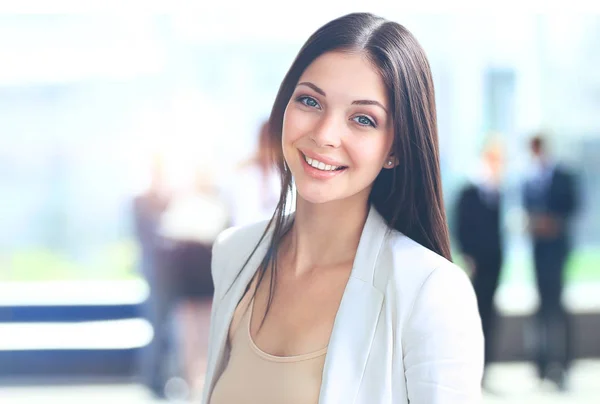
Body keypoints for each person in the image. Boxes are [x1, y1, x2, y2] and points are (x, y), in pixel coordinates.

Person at [203, 13, 484, 404]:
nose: (324, 135)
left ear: (396, 149)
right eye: (309, 101)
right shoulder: (234, 254)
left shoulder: (430, 291)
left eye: (363, 119)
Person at [158, 168, 230, 399]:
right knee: (189, 331)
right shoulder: (182, 202)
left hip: (208, 270)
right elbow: (169, 230)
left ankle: (205, 382)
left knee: (209, 329)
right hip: (188, 272)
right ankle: (191, 383)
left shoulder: (218, 202)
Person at [522, 134, 579, 390]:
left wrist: (553, 222)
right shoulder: (529, 180)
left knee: (558, 305)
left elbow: (573, 207)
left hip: (557, 250)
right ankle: (543, 366)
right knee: (542, 306)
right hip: (538, 250)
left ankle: (563, 364)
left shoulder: (562, 176)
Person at [455, 139, 504, 378]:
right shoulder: (470, 190)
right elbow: (461, 225)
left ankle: (486, 369)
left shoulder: (498, 191)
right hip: (475, 261)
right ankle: (471, 368)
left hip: (495, 261)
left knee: (489, 313)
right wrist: (467, 255)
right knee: (472, 313)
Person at [132, 156, 171, 399]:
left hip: (172, 270)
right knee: (157, 323)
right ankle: (152, 379)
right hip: (155, 270)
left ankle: (165, 376)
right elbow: (145, 236)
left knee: (170, 326)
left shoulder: (169, 198)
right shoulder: (140, 200)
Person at [221, 120, 282, 227]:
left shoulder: (281, 176)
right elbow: (240, 218)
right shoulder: (245, 174)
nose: (270, 150)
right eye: (267, 144)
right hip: (246, 236)